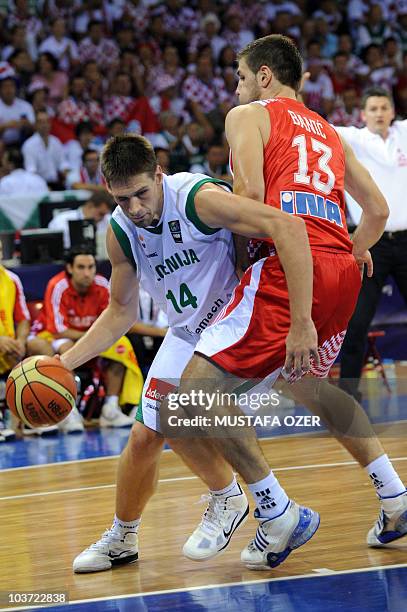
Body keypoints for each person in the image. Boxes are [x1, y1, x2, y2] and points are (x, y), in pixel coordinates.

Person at [163, 34, 404, 572]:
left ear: (265, 76)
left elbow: (249, 200)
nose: (238, 86)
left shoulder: (247, 115)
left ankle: (276, 511)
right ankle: (395, 498)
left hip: (292, 266)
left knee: (197, 393)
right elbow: (379, 210)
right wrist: (353, 250)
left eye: (242, 77)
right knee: (309, 386)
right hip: (340, 270)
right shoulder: (329, 131)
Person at [56, 134, 317, 573]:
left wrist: (301, 319)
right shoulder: (120, 231)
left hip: (235, 320)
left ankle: (250, 503)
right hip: (185, 332)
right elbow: (120, 312)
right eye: (123, 198)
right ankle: (124, 535)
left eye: (142, 192)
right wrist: (62, 365)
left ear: (159, 174)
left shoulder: (199, 198)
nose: (135, 207)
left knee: (183, 412)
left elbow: (283, 225)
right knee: (143, 437)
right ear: (107, 189)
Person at [335, 87, 407, 401]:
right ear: (363, 115)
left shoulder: (404, 133)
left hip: (406, 240)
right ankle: (348, 391)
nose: (379, 113)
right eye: (373, 108)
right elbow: (307, 122)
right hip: (370, 242)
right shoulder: (353, 138)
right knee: (357, 320)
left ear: (393, 111)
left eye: (384, 107)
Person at [26, 246, 141, 430]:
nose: (87, 273)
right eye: (81, 267)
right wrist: (94, 339)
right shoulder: (58, 285)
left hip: (86, 335)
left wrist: (96, 339)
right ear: (70, 268)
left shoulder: (103, 285)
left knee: (121, 345)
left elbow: (115, 321)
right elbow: (59, 330)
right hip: (53, 335)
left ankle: (111, 408)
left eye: (91, 267)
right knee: (67, 350)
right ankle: (68, 410)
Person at [0, 236, 30, 440]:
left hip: (9, 346)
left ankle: (32, 414)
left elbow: (23, 320)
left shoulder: (11, 279)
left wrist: (20, 341)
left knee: (40, 350)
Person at [48, 191, 113, 248]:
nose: (101, 218)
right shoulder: (62, 220)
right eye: (101, 214)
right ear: (90, 206)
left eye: (105, 214)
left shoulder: (110, 221)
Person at [22, 109, 69, 188]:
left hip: (56, 183)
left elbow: (63, 164)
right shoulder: (29, 145)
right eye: (41, 122)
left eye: (47, 121)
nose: (45, 125)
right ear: (35, 125)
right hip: (38, 185)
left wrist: (70, 178)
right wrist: (43, 187)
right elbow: (31, 172)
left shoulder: (56, 141)